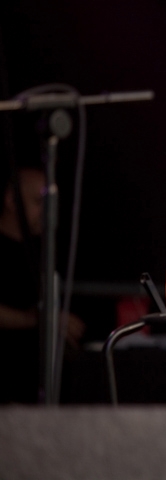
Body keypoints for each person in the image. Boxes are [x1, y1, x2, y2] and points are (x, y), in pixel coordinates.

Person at [0, 164, 84, 403]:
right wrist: (41, 319)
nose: (46, 213)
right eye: (38, 203)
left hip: (38, 395)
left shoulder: (42, 254)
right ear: (11, 200)